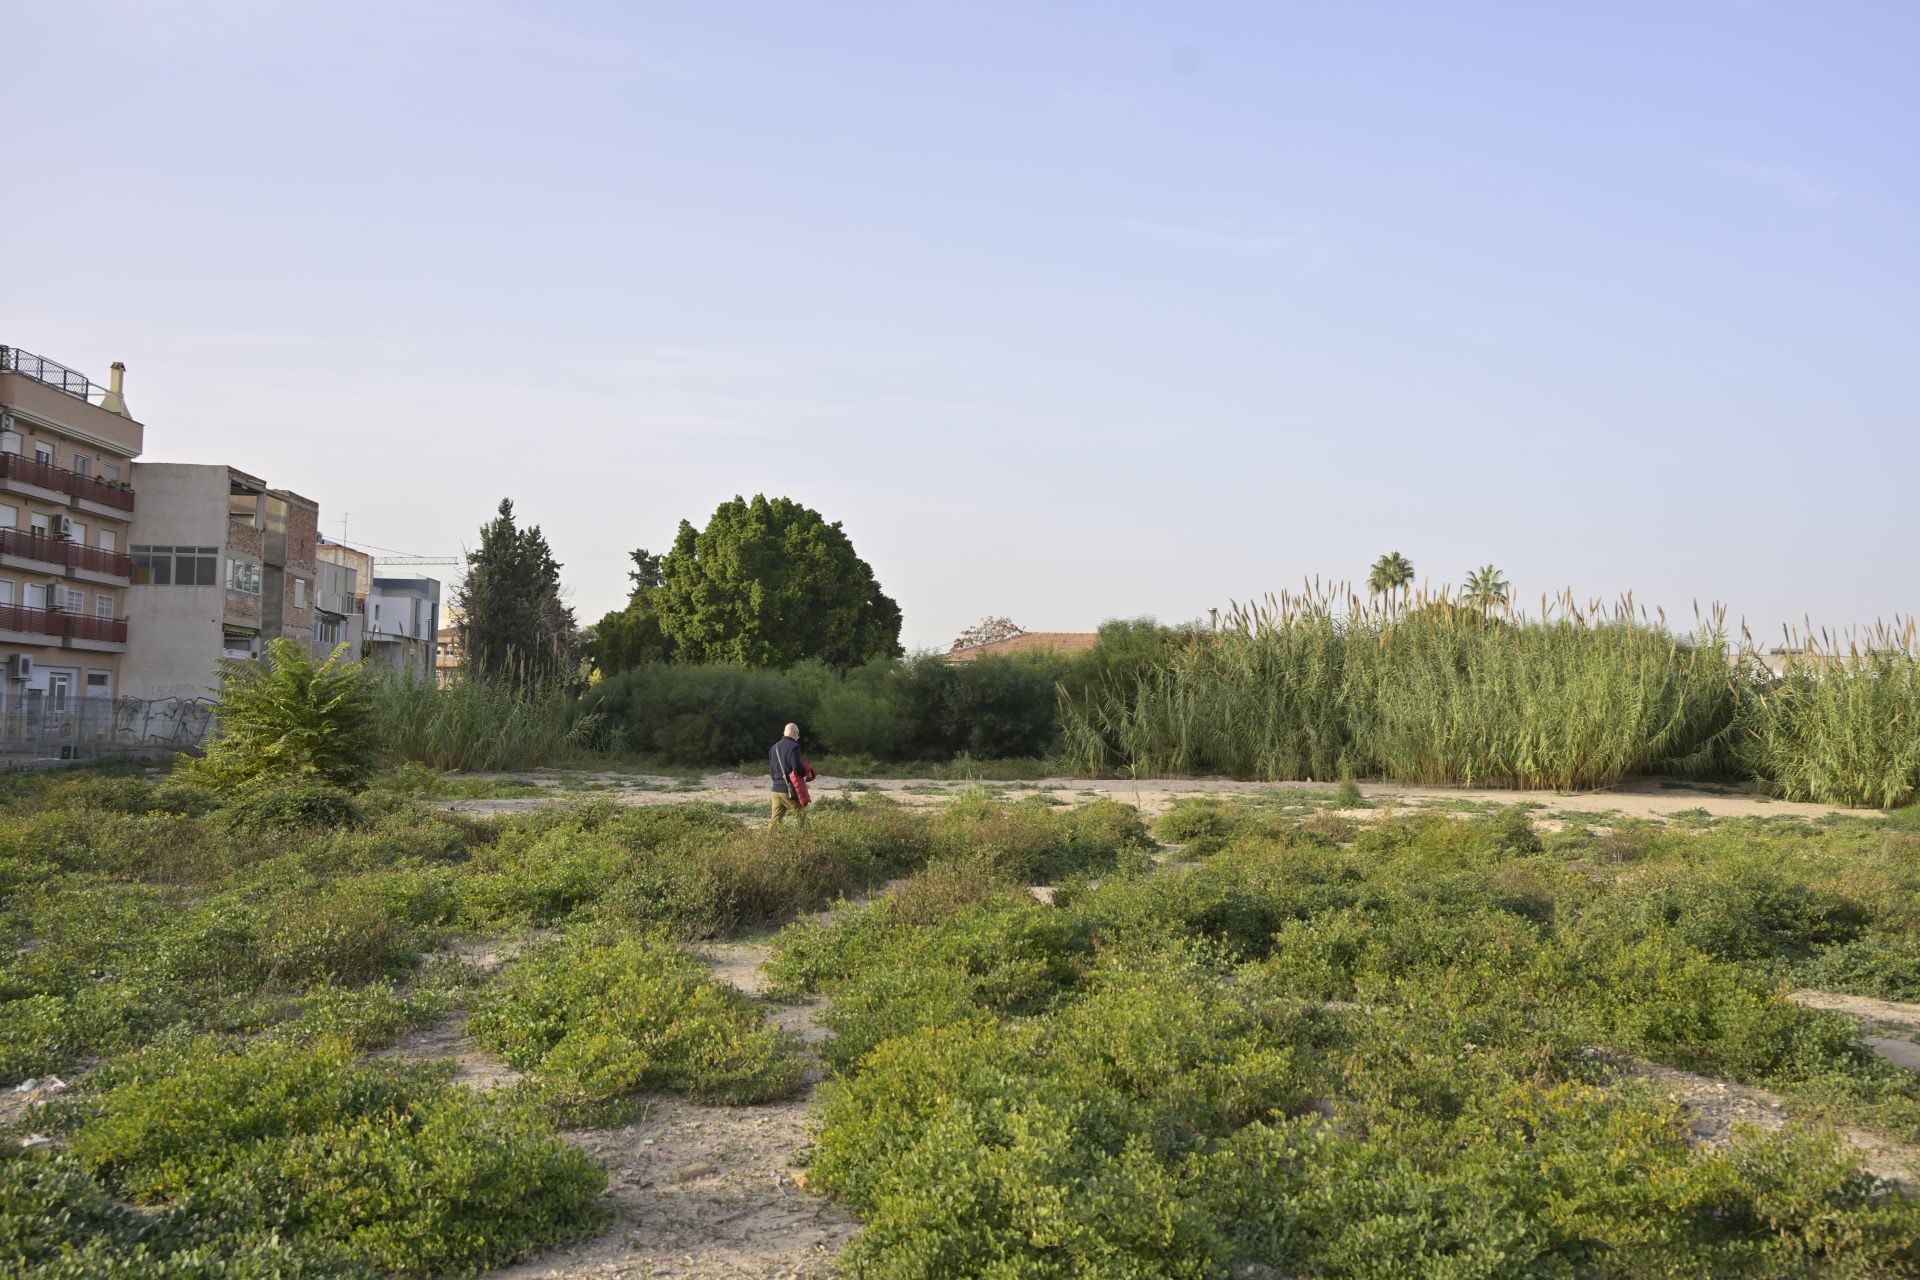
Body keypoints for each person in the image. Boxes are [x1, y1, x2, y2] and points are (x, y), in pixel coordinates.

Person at [769, 722, 815, 826]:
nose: (798, 738)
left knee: (774, 823)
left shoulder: (773, 748)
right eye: (798, 735)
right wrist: (806, 773)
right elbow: (797, 769)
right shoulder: (794, 746)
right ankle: (808, 840)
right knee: (803, 821)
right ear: (795, 733)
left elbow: (771, 772)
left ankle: (766, 841)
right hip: (788, 792)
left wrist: (778, 782)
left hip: (775, 791)